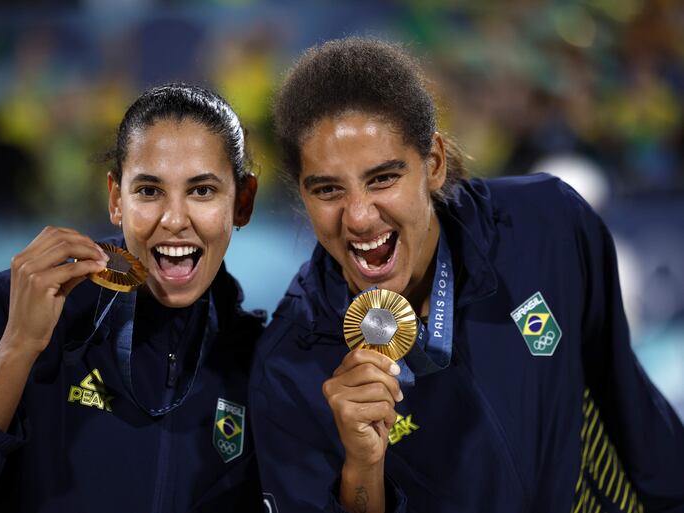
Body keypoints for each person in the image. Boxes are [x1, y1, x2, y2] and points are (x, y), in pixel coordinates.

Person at [250, 37, 684, 513]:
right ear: (302, 198)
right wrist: (361, 468)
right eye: (328, 189)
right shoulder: (289, 368)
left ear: (432, 164)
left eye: (383, 179)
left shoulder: (547, 223)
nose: (358, 216)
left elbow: (629, 408)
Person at [0, 83, 262, 512]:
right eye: (149, 191)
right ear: (117, 199)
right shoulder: (14, 304)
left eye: (202, 191)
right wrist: (18, 345)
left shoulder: (253, 356)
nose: (174, 220)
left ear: (242, 202)